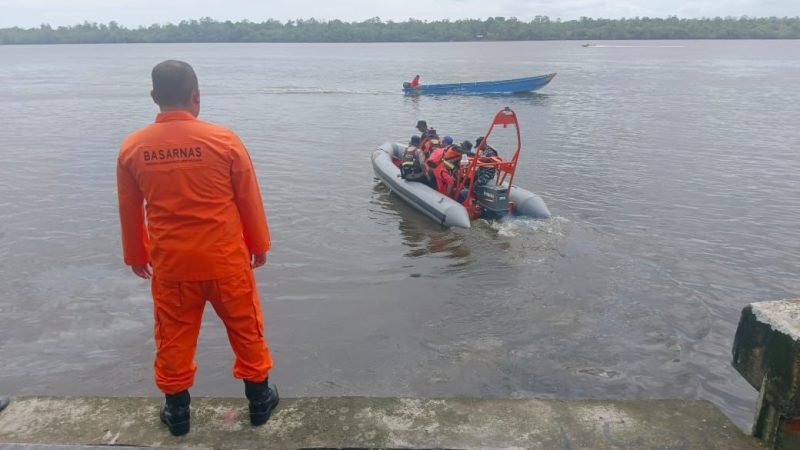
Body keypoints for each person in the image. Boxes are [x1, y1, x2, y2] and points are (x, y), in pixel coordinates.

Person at [116, 60, 278, 436]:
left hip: (172, 266)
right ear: (196, 96)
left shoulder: (133, 147)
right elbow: (248, 199)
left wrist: (136, 255)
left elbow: (129, 209)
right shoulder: (224, 140)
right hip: (226, 260)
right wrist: (259, 245)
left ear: (154, 97)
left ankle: (177, 413)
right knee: (246, 327)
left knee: (173, 336)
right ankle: (258, 400)